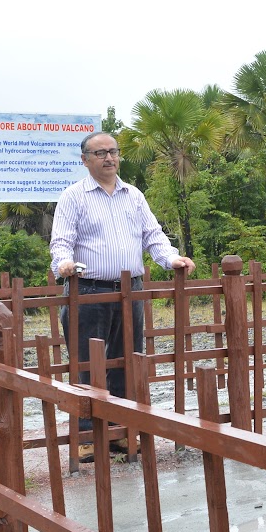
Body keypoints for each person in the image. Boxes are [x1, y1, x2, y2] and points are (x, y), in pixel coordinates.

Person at [50, 131, 194, 458]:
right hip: (89, 291)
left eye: (113, 152)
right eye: (100, 153)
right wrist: (64, 264)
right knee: (87, 364)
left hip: (131, 292)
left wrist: (171, 258)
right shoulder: (74, 196)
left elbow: (152, 235)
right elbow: (60, 241)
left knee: (127, 362)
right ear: (85, 160)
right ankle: (87, 437)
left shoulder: (133, 195)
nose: (108, 158)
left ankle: (123, 432)